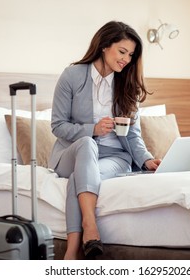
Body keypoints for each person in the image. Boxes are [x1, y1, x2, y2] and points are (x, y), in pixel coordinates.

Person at [48, 21, 161, 260]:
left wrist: (147, 160)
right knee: (87, 145)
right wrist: (93, 129)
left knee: (80, 177)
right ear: (103, 46)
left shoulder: (126, 83)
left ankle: (71, 252)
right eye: (122, 52)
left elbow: (132, 134)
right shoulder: (72, 76)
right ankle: (91, 226)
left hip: (114, 157)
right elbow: (57, 125)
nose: (126, 60)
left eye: (130, 55)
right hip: (71, 153)